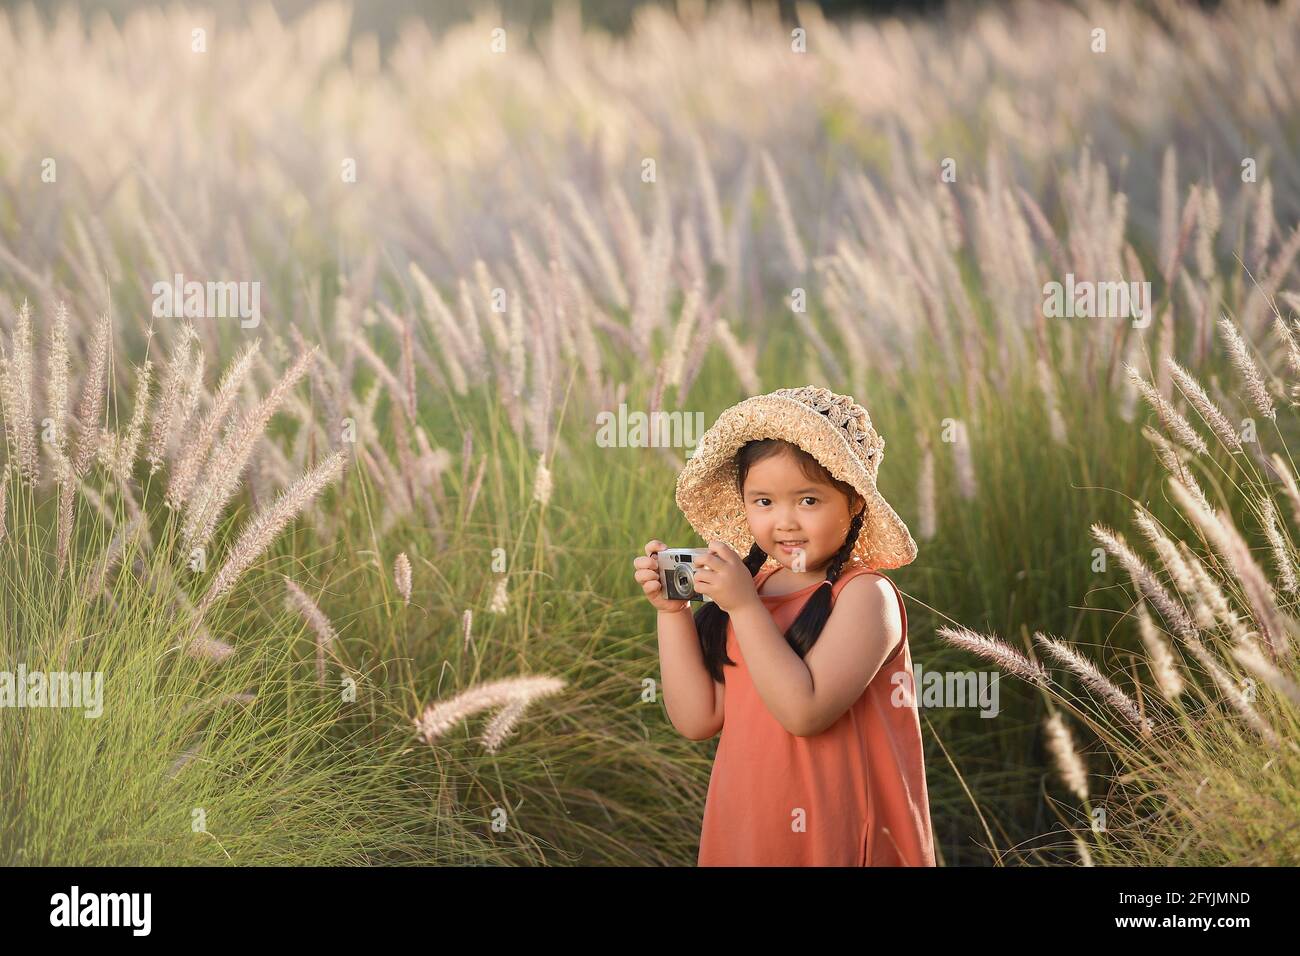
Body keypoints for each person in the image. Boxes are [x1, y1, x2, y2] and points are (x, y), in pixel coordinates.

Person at [632, 385, 936, 866]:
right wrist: (673, 614)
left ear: (854, 503)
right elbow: (696, 718)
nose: (786, 522)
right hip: (751, 829)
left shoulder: (864, 597)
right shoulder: (754, 588)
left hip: (835, 832)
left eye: (809, 501)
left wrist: (745, 608)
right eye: (764, 501)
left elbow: (804, 712)